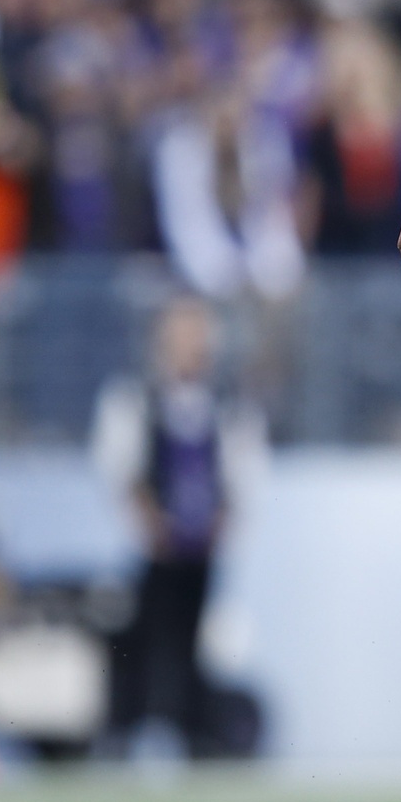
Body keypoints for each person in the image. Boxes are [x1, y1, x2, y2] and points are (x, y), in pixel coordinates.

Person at [90, 295, 265, 759]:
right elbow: (119, 470)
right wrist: (149, 523)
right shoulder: (136, 399)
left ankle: (193, 734)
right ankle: (131, 731)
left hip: (202, 550)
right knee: (145, 640)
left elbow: (242, 475)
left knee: (194, 644)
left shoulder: (226, 405)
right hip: (153, 551)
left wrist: (220, 523)